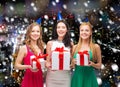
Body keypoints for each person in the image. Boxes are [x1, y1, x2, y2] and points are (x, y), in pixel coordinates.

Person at [71, 22, 102, 87]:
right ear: (79, 32)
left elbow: (99, 65)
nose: (84, 32)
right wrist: (73, 63)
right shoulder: (74, 47)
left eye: (87, 30)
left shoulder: (96, 47)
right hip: (77, 78)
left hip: (90, 78)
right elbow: (72, 66)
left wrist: (92, 64)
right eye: (82, 30)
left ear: (91, 33)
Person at [15, 22, 44, 87]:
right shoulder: (24, 48)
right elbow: (16, 65)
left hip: (39, 79)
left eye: (37, 31)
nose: (35, 33)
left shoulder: (41, 48)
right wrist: (28, 67)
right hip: (29, 79)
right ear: (29, 33)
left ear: (40, 34)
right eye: (33, 31)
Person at [45, 19, 73, 87]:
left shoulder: (71, 44)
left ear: (67, 30)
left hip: (65, 77)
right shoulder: (50, 43)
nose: (61, 29)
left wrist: (71, 65)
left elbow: (72, 63)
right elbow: (47, 62)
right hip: (52, 77)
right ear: (56, 29)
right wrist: (49, 65)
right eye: (58, 27)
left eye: (63, 27)